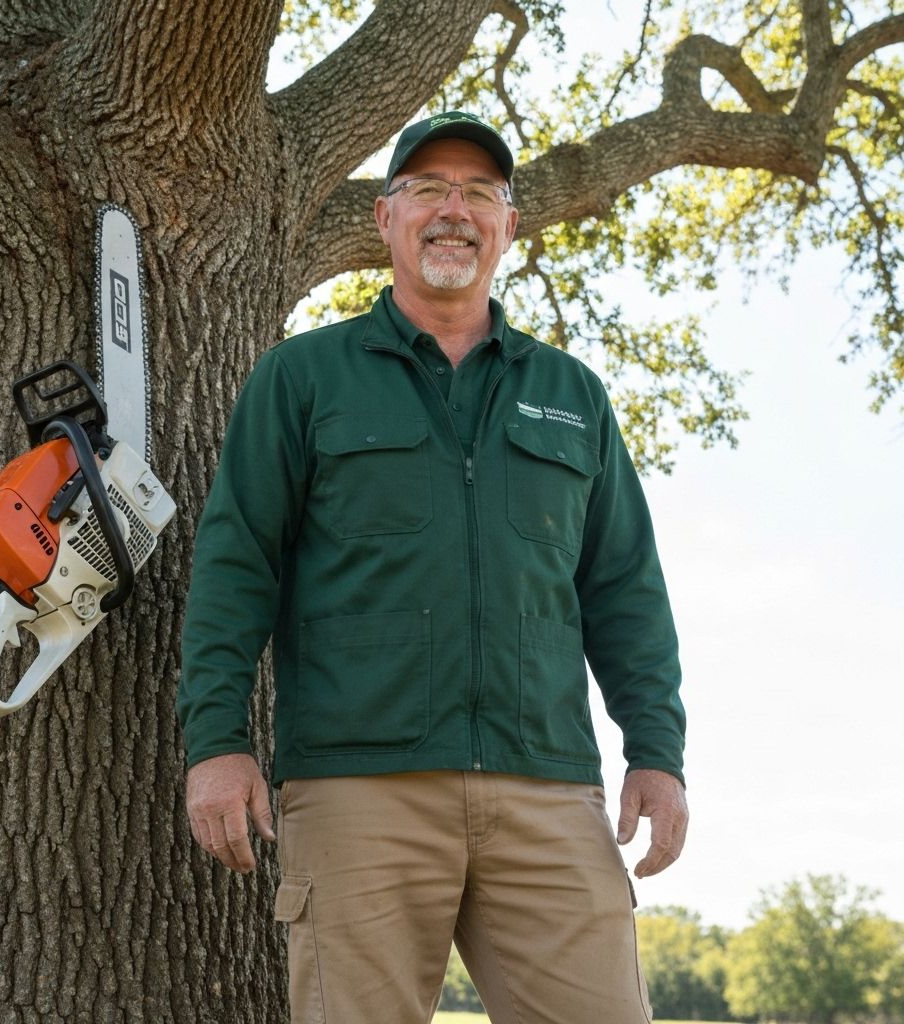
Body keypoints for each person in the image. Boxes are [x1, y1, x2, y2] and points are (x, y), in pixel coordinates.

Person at [179, 110, 688, 1024]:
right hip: (357, 793)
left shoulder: (572, 395)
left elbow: (624, 587)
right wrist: (217, 743)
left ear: (508, 226)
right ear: (385, 218)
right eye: (427, 189)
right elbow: (234, 564)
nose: (453, 210)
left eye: (479, 193)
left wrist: (657, 751)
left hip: (549, 789)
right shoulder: (302, 378)